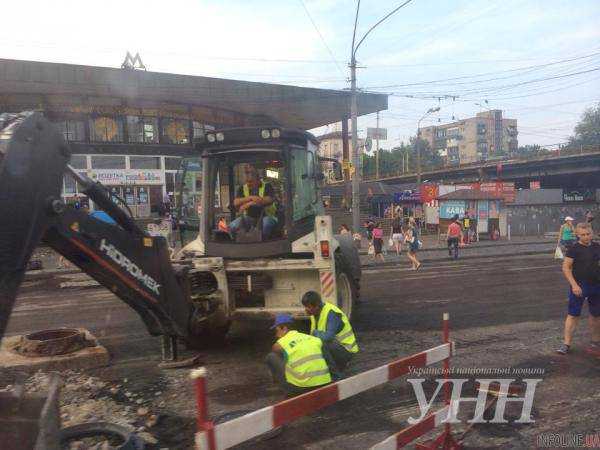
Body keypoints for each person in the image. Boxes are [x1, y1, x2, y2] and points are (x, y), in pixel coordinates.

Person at [556, 222, 600, 356]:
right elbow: (566, 268)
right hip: (579, 286)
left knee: (596, 315)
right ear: (577, 235)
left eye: (588, 234)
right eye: (583, 235)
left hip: (596, 285)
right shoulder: (574, 249)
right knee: (573, 315)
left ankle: (595, 341)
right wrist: (574, 285)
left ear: (592, 233)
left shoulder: (597, 247)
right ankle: (566, 344)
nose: (586, 237)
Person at [265, 314, 332, 395]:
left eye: (276, 330)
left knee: (271, 357)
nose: (276, 334)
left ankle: (286, 390)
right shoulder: (312, 338)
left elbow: (275, 350)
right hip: (324, 382)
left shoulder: (280, 343)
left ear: (284, 328)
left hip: (302, 387)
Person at [301, 291, 358, 379]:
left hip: (346, 351)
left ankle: (335, 376)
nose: (306, 310)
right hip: (336, 347)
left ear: (317, 305)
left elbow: (328, 337)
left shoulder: (332, 314)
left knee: (323, 342)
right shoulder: (314, 313)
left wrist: (315, 333)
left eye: (308, 307)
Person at [229, 165, 278, 239]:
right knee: (233, 226)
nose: (248, 184)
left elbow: (267, 200)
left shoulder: (267, 186)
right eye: (247, 181)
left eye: (251, 182)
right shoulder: (242, 188)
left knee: (266, 225)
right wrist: (251, 198)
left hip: (267, 216)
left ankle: (263, 244)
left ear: (258, 179)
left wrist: (248, 204)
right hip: (249, 218)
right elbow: (236, 202)